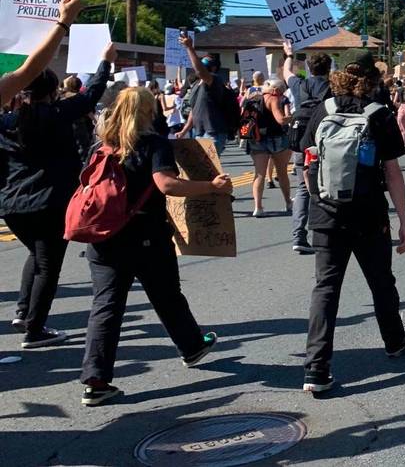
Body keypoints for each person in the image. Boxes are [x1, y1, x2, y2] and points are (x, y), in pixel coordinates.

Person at [79, 88, 233, 406]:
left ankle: (96, 380)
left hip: (102, 237)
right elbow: (167, 184)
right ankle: (191, 347)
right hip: (144, 236)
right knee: (166, 294)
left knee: (106, 307)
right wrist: (211, 186)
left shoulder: (101, 144)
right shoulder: (152, 143)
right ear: (149, 112)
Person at [299, 49, 405, 394]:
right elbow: (393, 173)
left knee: (326, 288)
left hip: (326, 213)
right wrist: (404, 220)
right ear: (371, 77)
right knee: (381, 280)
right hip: (368, 213)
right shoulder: (379, 114)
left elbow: (309, 162)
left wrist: (319, 199)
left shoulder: (324, 109)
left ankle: (316, 370)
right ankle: (394, 339)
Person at [2, 43, 114, 347]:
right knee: (48, 267)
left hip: (12, 205)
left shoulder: (7, 122)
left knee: (36, 257)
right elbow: (91, 94)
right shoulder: (56, 113)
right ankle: (35, 329)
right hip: (50, 202)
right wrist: (104, 62)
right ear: (52, 91)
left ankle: (25, 310)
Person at [283, 44, 331, 254]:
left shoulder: (299, 85)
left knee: (302, 188)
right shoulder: (333, 87)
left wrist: (289, 54)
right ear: (329, 68)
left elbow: (287, 72)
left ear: (309, 69)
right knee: (328, 186)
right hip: (325, 139)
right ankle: (326, 232)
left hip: (301, 140)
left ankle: (299, 236)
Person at [178, 34, 235, 155]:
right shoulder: (196, 84)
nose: (201, 64)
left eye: (206, 63)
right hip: (199, 132)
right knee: (203, 171)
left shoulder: (214, 80)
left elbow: (200, 70)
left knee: (209, 170)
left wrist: (189, 48)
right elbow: (194, 110)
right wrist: (184, 131)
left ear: (213, 68)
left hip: (213, 132)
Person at [243, 78, 292, 217]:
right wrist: (291, 117)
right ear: (275, 89)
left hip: (256, 138)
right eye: (281, 91)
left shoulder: (251, 98)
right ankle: (288, 202)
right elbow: (280, 120)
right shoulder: (273, 99)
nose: (282, 94)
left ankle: (258, 207)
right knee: (282, 172)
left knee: (259, 174)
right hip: (275, 138)